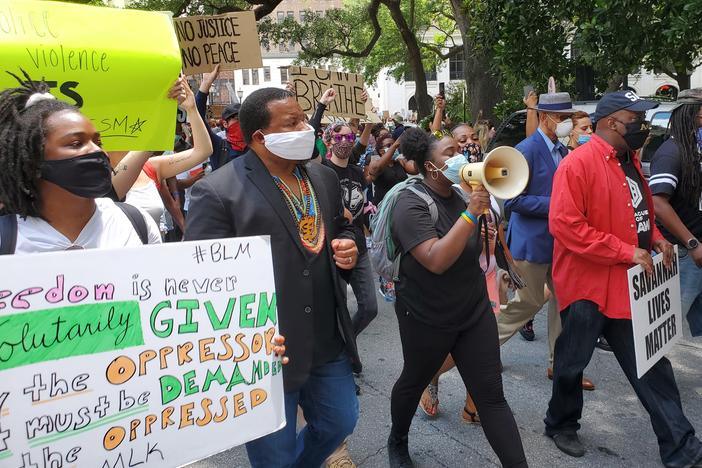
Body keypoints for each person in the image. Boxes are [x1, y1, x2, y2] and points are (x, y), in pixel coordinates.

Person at [184, 87, 361, 468]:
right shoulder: (217, 191)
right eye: (292, 122)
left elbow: (340, 229)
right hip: (266, 352)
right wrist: (240, 338)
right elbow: (199, 282)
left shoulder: (323, 177)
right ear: (260, 137)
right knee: (273, 456)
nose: (306, 128)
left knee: (339, 421)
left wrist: (347, 245)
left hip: (327, 339)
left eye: (303, 118)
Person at [545, 90, 702, 467]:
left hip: (630, 286)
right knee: (572, 360)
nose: (643, 128)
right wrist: (623, 251)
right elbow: (565, 225)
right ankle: (560, 422)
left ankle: (684, 451)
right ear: (612, 122)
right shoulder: (577, 164)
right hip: (587, 287)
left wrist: (660, 240)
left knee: (652, 365)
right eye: (636, 120)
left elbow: (643, 214)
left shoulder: (630, 161)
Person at [386, 128, 527, 468]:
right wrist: (471, 215)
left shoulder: (462, 197)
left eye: (461, 148)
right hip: (426, 315)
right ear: (430, 166)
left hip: (472, 311)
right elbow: (435, 259)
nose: (461, 155)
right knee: (414, 379)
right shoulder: (410, 203)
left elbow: (475, 253)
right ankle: (398, 440)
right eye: (450, 151)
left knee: (491, 396)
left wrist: (486, 229)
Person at [496, 92, 596, 391]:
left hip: (561, 244)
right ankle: (481, 344)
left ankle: (561, 365)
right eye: (562, 118)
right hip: (531, 244)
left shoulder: (565, 152)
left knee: (565, 303)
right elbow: (512, 200)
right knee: (529, 302)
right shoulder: (525, 150)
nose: (566, 123)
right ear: (544, 117)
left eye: (569, 118)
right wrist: (557, 204)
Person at [650, 88, 702, 337]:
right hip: (683, 253)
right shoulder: (672, 152)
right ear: (694, 115)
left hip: (695, 250)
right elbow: (658, 203)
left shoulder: (694, 149)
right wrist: (691, 243)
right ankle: (653, 376)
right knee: (665, 327)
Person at [323, 123, 378, 337]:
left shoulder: (356, 170)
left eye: (349, 137)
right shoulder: (322, 171)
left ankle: (346, 342)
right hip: (333, 249)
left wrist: (369, 124)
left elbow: (360, 147)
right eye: (338, 138)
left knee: (370, 308)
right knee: (338, 309)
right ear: (328, 142)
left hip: (359, 247)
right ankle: (343, 353)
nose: (344, 142)